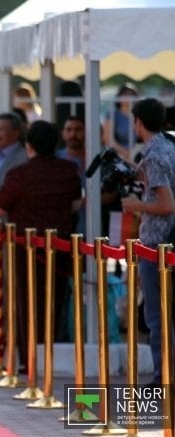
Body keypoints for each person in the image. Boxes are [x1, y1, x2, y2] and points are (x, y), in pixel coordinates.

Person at [0, 120, 82, 369]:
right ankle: (53, 355)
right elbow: (76, 202)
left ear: (29, 145)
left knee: (28, 302)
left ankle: (30, 360)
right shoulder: (68, 170)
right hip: (62, 247)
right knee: (56, 301)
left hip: (26, 249)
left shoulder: (20, 174)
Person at [121, 98, 175, 385]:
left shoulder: (154, 155)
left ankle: (162, 377)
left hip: (157, 246)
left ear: (138, 122)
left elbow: (167, 204)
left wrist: (135, 205)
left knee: (157, 318)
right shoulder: (168, 147)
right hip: (168, 243)